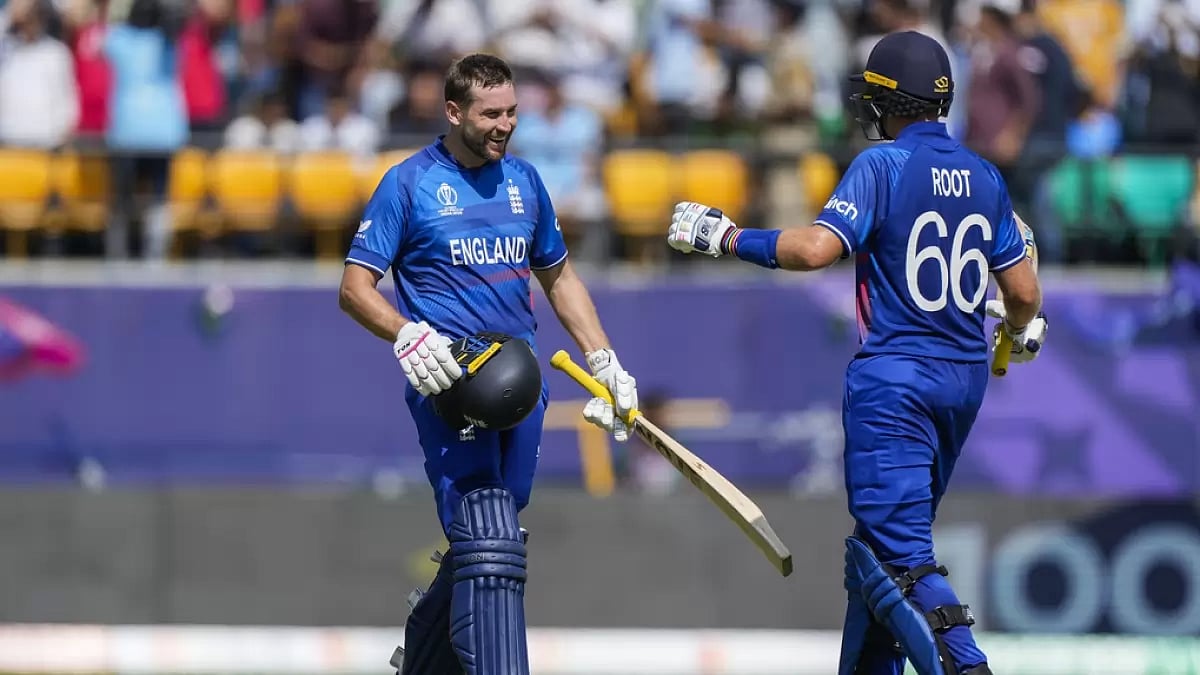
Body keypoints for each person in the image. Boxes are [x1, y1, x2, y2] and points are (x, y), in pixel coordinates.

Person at [662, 30, 1047, 675]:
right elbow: (1025, 294)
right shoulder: (985, 175)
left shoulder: (883, 166)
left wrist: (726, 237)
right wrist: (1015, 328)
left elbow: (815, 250)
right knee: (875, 551)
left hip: (895, 380)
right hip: (963, 378)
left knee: (897, 558)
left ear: (893, 99)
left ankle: (966, 667)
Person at [337, 53, 638, 675]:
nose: (505, 125)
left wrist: (604, 360)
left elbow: (558, 277)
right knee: (489, 534)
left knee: (497, 528)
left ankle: (420, 646)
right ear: (454, 112)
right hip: (448, 381)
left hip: (521, 383)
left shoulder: (526, 181)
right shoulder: (409, 182)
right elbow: (355, 288)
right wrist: (407, 335)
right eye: (491, 114)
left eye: (512, 113)